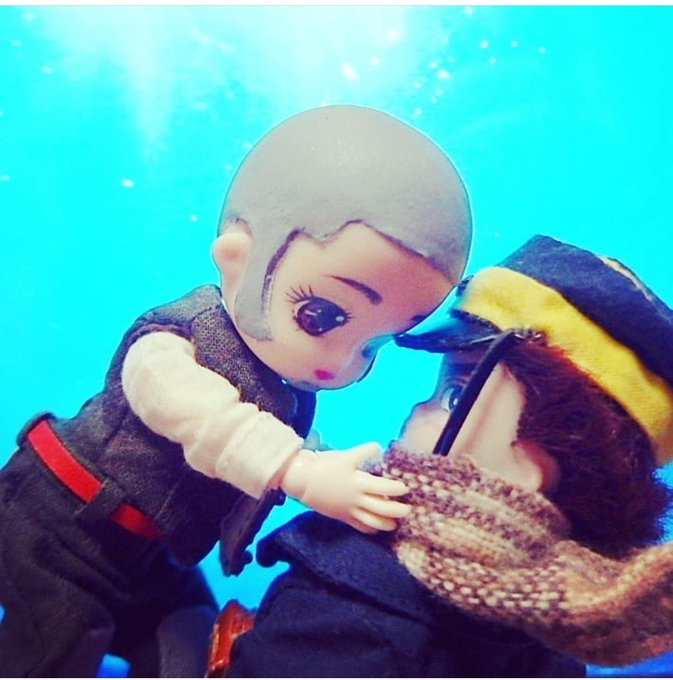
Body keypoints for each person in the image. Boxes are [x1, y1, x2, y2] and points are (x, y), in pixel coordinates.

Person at [0, 105, 471, 677]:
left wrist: (345, 473)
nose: (339, 361)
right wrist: (299, 472)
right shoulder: (169, 347)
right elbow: (205, 418)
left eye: (374, 343)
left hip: (152, 555)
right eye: (320, 315)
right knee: (57, 646)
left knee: (189, 640)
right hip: (58, 524)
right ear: (239, 262)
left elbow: (277, 436)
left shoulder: (283, 392)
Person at [220, 234, 673, 677]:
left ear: (531, 468)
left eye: (454, 396)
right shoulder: (551, 630)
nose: (419, 409)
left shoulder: (353, 621)